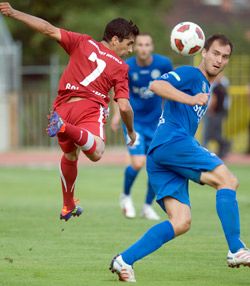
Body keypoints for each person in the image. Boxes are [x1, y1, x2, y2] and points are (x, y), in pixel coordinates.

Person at [110, 34, 250, 282]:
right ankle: (236, 249)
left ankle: (124, 260)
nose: (219, 60)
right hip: (172, 142)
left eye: (225, 56)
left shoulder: (207, 85)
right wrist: (191, 98)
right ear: (203, 52)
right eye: (215, 53)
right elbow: (157, 86)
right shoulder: (191, 74)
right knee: (228, 181)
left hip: (160, 156)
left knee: (181, 221)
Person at [0, 2, 139, 221]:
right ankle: (65, 128)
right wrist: (131, 132)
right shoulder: (121, 67)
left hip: (62, 107)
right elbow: (124, 106)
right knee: (97, 152)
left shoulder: (82, 42)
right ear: (115, 40)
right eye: (129, 44)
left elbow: (47, 28)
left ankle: (67, 205)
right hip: (89, 108)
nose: (130, 50)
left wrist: (14, 13)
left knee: (70, 154)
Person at [111, 33, 173, 220]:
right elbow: (117, 91)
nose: (144, 48)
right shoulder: (127, 66)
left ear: (152, 47)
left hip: (156, 123)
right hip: (134, 121)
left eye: (147, 44)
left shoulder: (163, 64)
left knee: (156, 165)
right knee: (138, 163)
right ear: (135, 47)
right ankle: (126, 196)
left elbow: (171, 89)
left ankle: (147, 206)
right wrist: (116, 114)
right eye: (140, 44)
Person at [202, 74, 231, 158]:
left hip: (214, 113)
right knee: (216, 133)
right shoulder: (223, 88)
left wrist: (210, 110)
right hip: (221, 113)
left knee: (208, 133)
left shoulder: (215, 88)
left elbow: (214, 100)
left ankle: (225, 144)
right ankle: (224, 145)